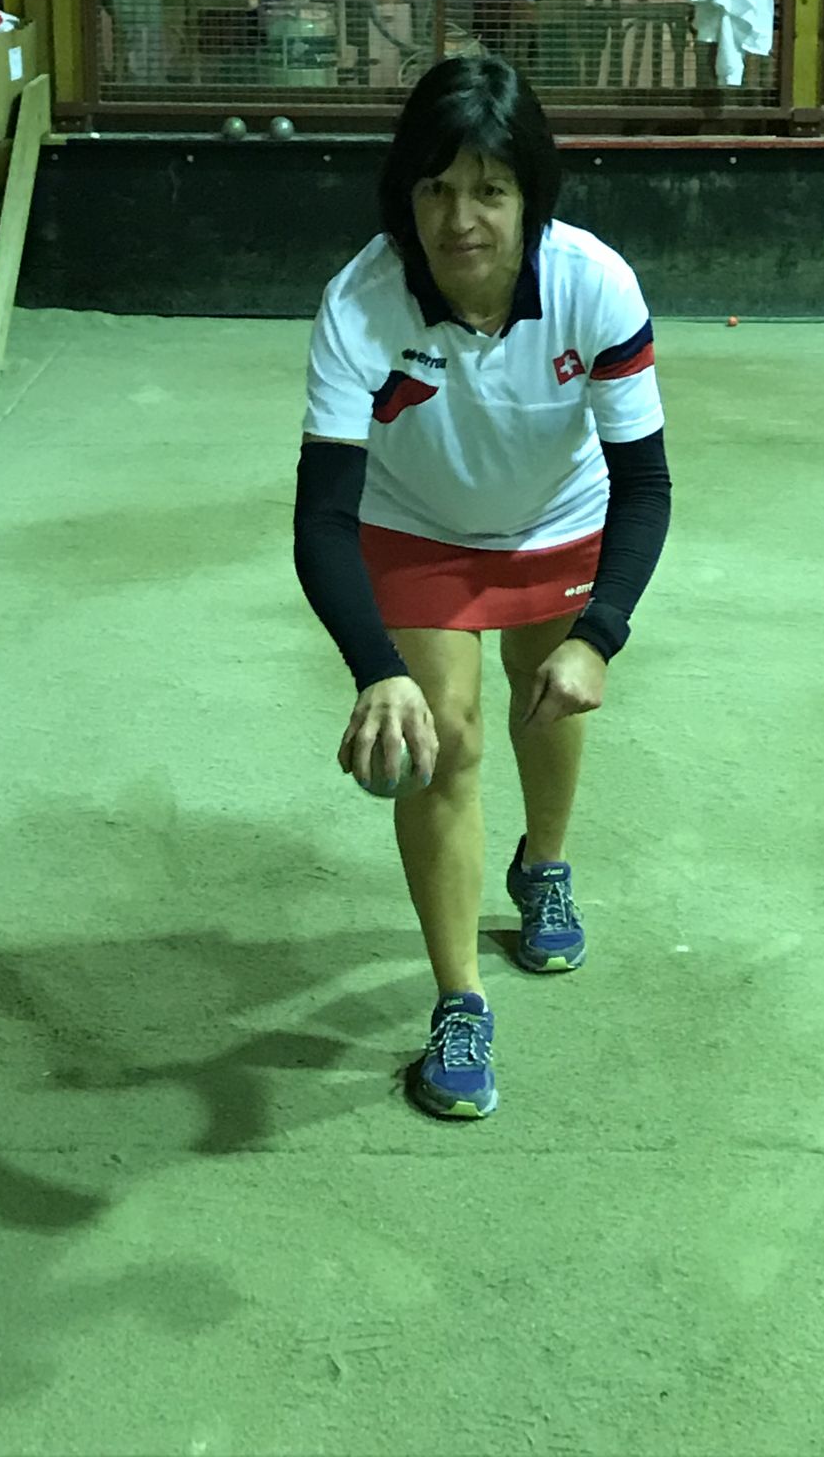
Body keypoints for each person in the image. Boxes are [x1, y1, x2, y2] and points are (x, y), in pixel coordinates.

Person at [293, 55, 672, 1121]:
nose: (460, 219)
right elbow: (322, 517)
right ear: (404, 194)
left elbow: (645, 484)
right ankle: (460, 999)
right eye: (436, 188)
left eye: (490, 189)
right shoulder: (360, 303)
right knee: (443, 736)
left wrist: (599, 634)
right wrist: (375, 669)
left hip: (560, 516)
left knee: (549, 691)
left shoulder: (595, 284)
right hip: (415, 527)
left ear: (530, 196)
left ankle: (543, 865)